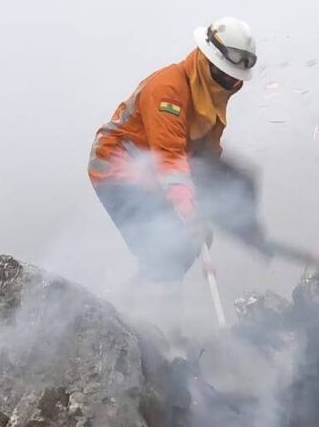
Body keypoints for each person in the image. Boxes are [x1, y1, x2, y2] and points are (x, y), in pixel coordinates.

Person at [88, 16, 257, 284]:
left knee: (184, 245)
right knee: (169, 246)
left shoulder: (210, 98)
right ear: (206, 60)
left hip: (155, 173)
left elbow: (205, 158)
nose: (227, 80)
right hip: (117, 169)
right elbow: (170, 159)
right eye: (222, 73)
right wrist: (191, 215)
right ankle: (140, 308)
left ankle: (152, 307)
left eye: (231, 77)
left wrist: (215, 205)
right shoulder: (168, 90)